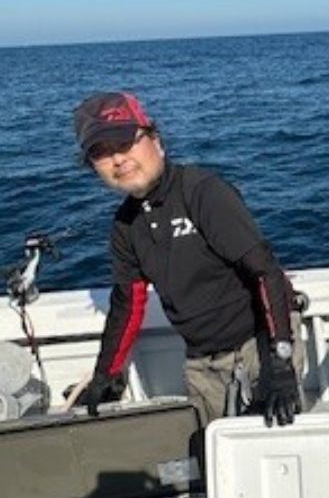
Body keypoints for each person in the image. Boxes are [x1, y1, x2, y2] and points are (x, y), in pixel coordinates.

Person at [70, 91, 302, 427]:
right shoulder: (124, 227)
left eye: (124, 143)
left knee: (272, 450)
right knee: (215, 452)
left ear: (156, 140)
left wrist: (281, 362)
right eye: (100, 153)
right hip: (201, 362)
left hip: (262, 343)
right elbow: (127, 305)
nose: (117, 159)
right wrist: (106, 374)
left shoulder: (203, 192)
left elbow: (266, 272)